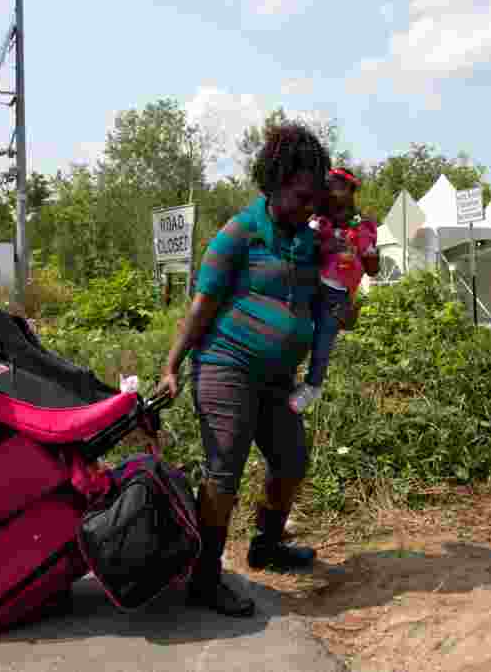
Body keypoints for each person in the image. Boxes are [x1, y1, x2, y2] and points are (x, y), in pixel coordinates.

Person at [154, 123, 330, 618]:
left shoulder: (310, 242)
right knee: (224, 469)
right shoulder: (241, 232)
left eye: (315, 196)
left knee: (291, 458)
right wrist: (171, 366)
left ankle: (266, 547)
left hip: (277, 379)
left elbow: (327, 305)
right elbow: (201, 306)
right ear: (273, 184)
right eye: (300, 195)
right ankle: (205, 578)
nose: (309, 205)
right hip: (225, 366)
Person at [289, 167, 380, 413]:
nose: (330, 191)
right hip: (309, 284)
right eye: (327, 186)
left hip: (338, 294)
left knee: (323, 341)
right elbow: (303, 249)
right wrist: (323, 243)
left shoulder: (363, 226)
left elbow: (373, 268)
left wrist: (369, 253)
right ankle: (285, 375)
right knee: (295, 330)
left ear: (351, 190)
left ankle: (313, 386)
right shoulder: (319, 220)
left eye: (336, 186)